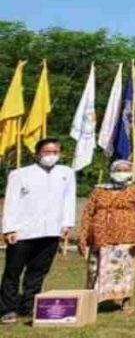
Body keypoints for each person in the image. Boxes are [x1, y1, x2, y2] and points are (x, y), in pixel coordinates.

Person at [1, 138, 76, 325]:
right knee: (13, 272)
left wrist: (66, 224)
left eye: (55, 152)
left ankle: (28, 307)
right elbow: (11, 202)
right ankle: (7, 309)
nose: (51, 156)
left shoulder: (66, 173)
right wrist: (9, 228)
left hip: (51, 231)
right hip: (23, 232)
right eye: (47, 152)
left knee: (38, 272)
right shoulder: (20, 174)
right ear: (37, 153)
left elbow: (68, 200)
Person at [78, 159, 135, 314]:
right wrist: (82, 235)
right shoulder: (98, 191)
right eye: (119, 170)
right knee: (94, 270)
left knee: (123, 270)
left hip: (126, 237)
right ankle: (91, 301)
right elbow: (88, 213)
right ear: (111, 171)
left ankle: (125, 299)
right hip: (100, 237)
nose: (122, 173)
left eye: (125, 170)